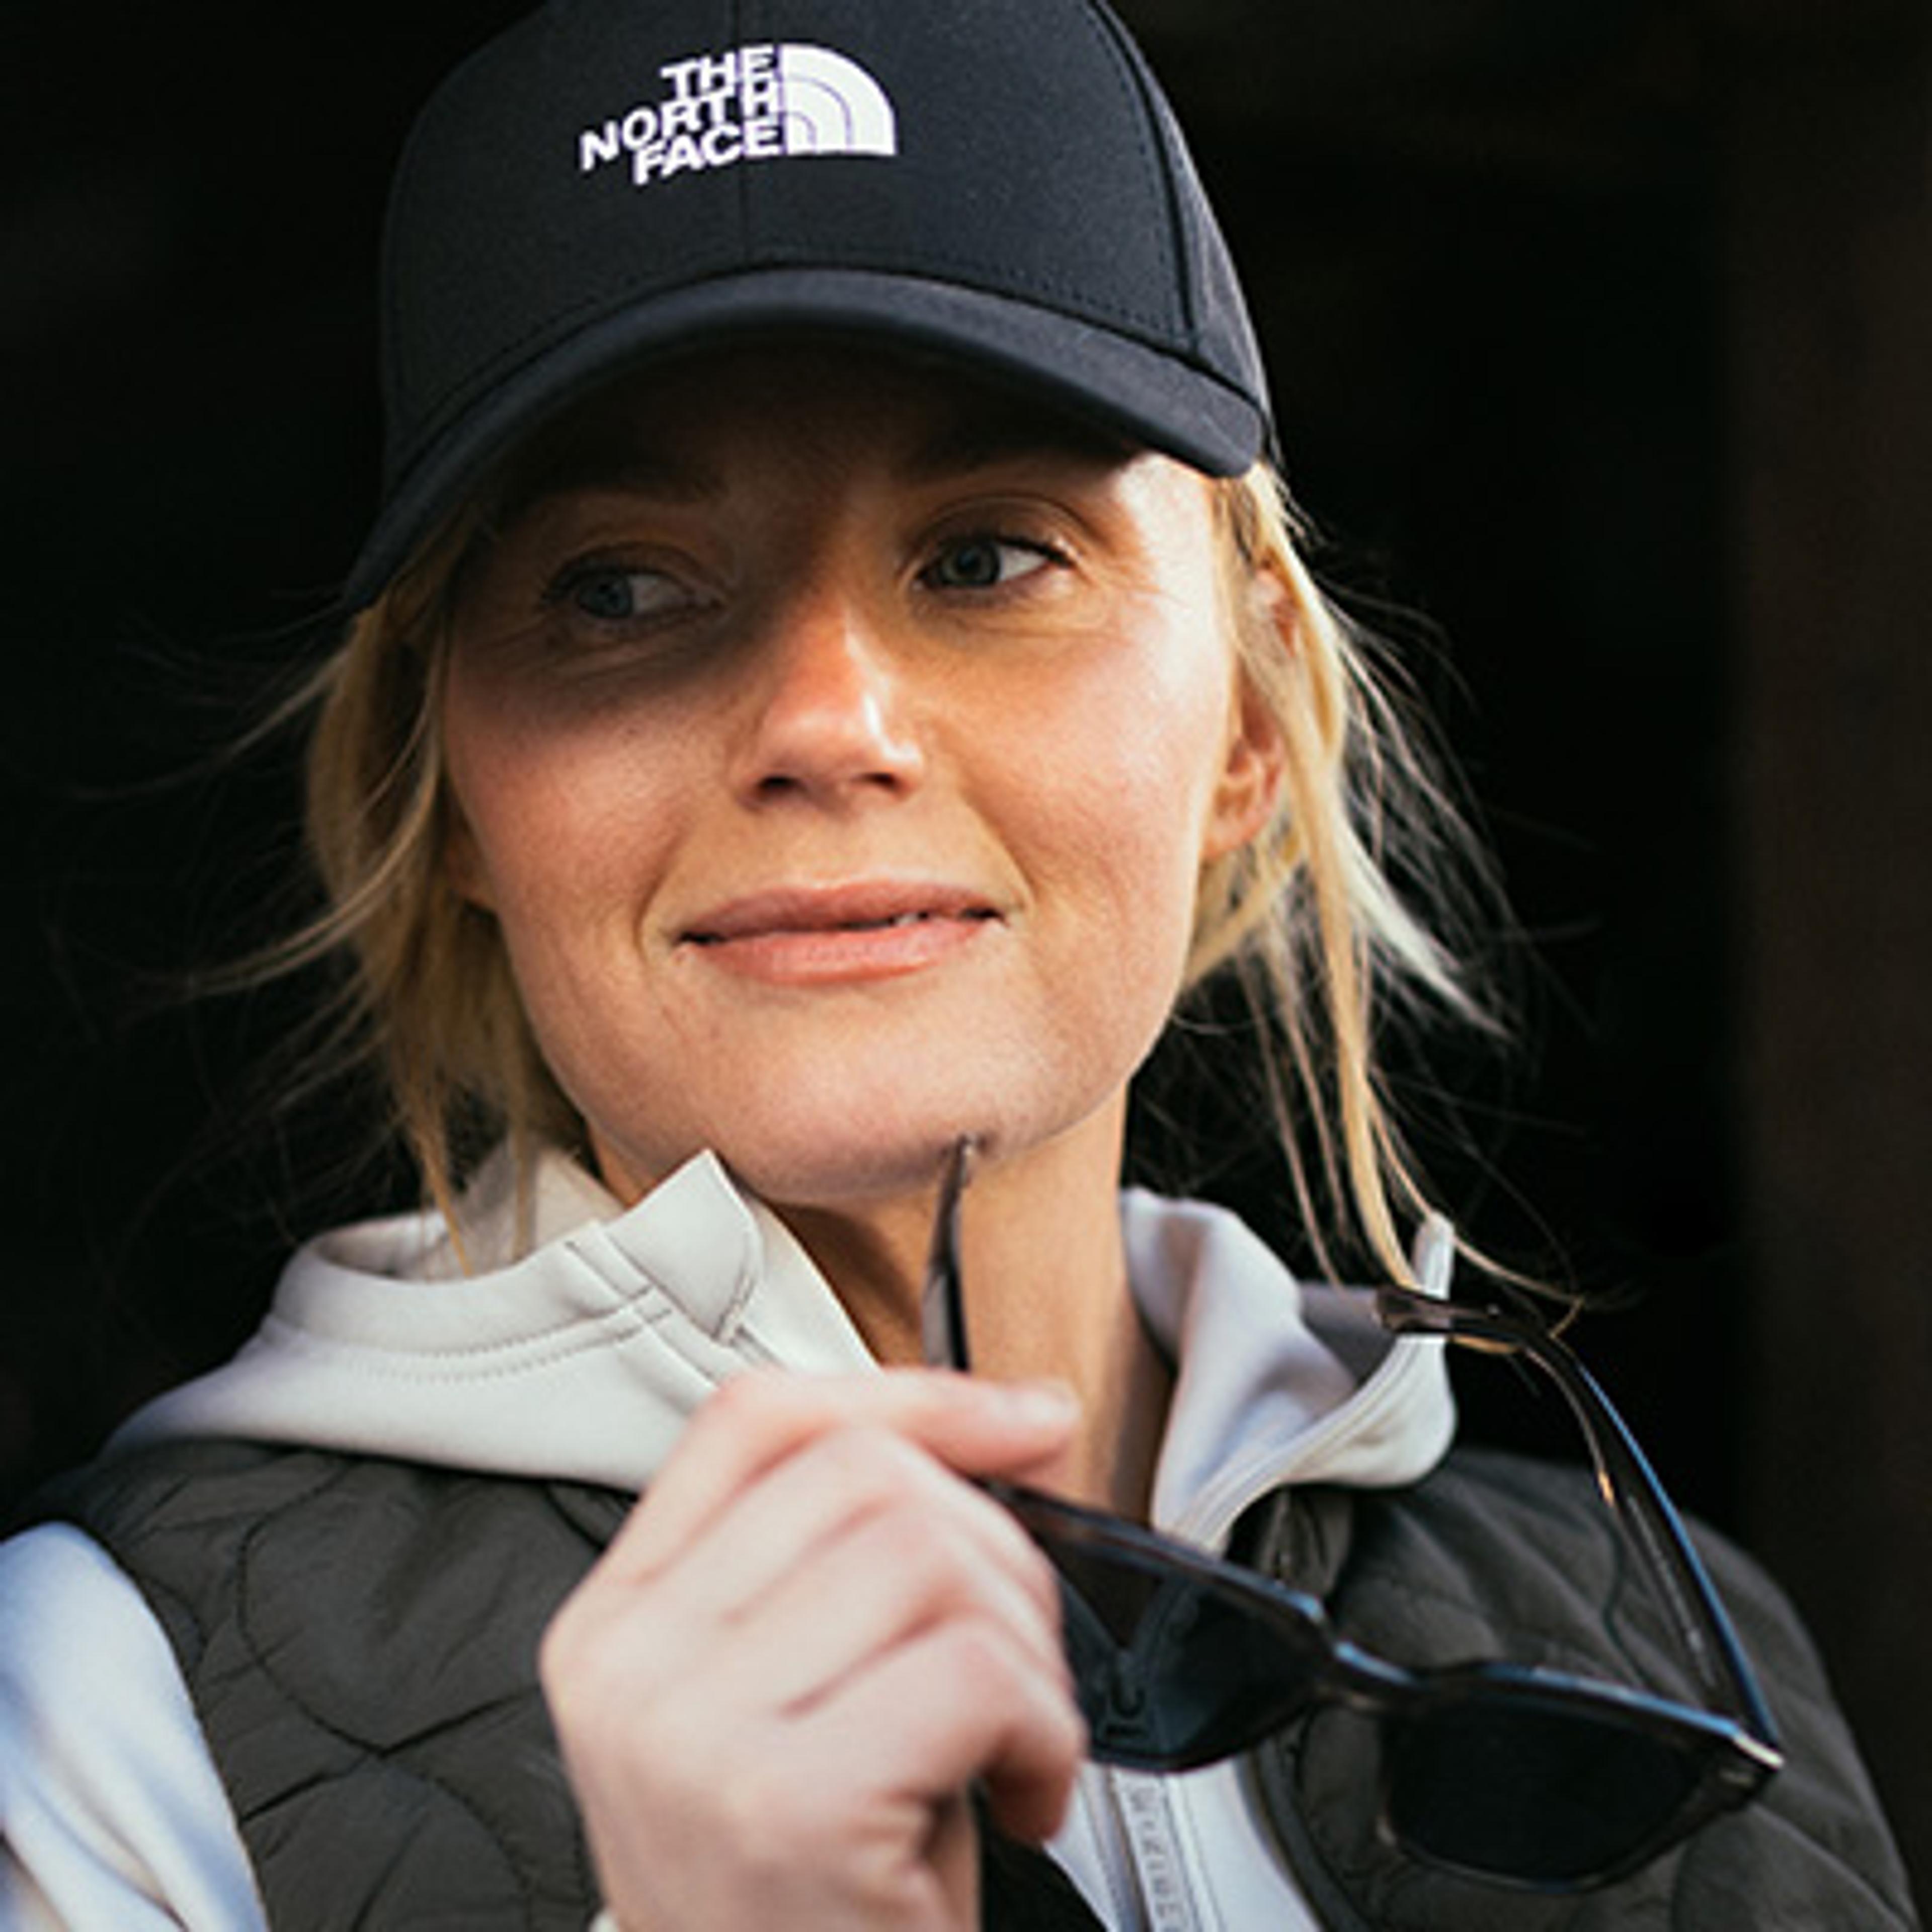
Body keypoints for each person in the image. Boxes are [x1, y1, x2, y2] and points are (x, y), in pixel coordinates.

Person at [0, 1, 1916, 1927]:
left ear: (1248, 724)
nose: (828, 719)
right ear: (466, 795)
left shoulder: (1674, 1663)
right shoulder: (102, 1711)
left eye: (989, 557)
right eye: (618, 587)